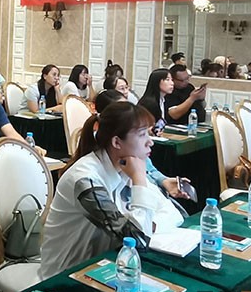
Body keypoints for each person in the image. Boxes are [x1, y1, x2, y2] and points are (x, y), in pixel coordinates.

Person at [39, 102, 184, 280]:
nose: (150, 141)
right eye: (142, 135)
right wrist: (139, 180)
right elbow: (138, 241)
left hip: (103, 265)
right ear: (116, 142)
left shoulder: (126, 166)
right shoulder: (85, 180)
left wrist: (150, 225)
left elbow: (174, 213)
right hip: (65, 275)